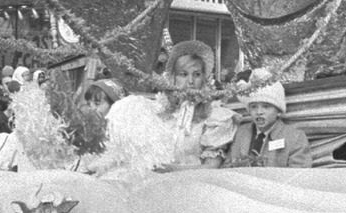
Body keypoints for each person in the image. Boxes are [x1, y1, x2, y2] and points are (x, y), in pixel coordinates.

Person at [91, 41, 237, 180]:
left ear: (204, 79)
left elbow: (212, 167)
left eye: (197, 74)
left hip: (193, 185)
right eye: (183, 74)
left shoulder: (214, 116)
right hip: (155, 181)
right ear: (173, 78)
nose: (191, 81)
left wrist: (169, 171)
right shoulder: (159, 110)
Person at [226, 73, 312, 169]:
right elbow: (227, 167)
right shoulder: (241, 133)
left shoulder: (294, 137)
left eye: (266, 107)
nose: (259, 112)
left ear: (278, 111)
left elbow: (300, 175)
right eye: (254, 107)